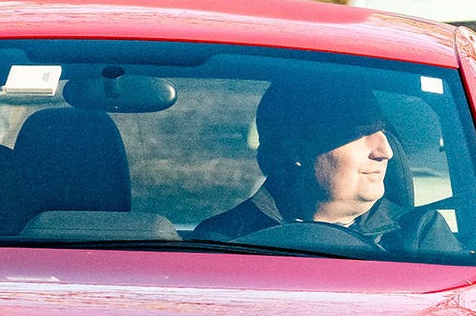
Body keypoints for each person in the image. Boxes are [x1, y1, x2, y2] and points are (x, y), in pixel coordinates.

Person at [193, 78, 459, 255]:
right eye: (359, 135)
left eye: (384, 134)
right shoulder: (221, 240)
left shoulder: (421, 239)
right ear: (295, 151)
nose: (385, 151)